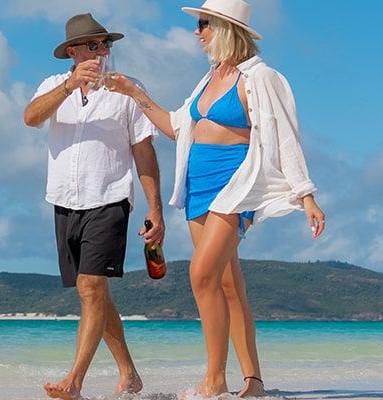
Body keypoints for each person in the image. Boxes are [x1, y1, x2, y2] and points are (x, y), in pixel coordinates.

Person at [106, 0, 326, 396]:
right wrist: (134, 93)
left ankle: (214, 380)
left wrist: (305, 194)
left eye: (204, 24)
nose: (197, 32)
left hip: (234, 189)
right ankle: (253, 383)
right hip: (197, 187)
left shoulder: (260, 77)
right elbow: (177, 127)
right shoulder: (209, 77)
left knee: (201, 275)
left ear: (225, 29)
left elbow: (285, 137)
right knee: (227, 286)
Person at [23, 13, 165, 399]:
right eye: (93, 45)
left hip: (110, 199)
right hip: (64, 203)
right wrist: (70, 85)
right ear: (73, 52)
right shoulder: (54, 85)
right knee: (95, 295)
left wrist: (156, 209)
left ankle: (75, 382)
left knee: (90, 287)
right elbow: (31, 118)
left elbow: (144, 153)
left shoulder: (128, 90)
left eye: (106, 45)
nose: (101, 52)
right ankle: (130, 375)